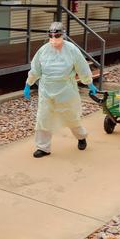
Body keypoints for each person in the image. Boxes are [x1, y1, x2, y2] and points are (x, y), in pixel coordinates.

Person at [23, 21, 97, 158]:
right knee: (43, 118)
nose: (54, 39)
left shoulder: (72, 50)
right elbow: (35, 70)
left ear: (63, 35)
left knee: (71, 117)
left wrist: (89, 83)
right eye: (51, 36)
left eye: (57, 36)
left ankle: (81, 137)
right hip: (46, 90)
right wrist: (28, 84)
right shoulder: (43, 50)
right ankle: (43, 148)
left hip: (66, 90)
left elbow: (82, 68)